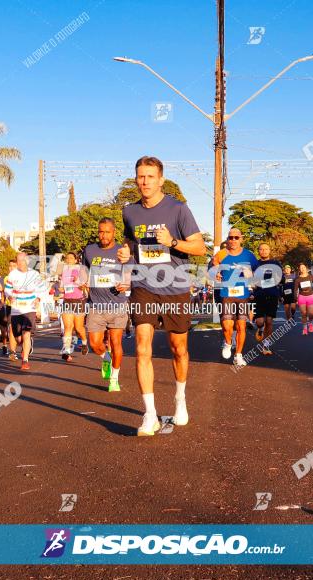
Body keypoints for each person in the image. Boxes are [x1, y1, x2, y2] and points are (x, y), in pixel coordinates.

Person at [118, 156, 205, 436]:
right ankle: (150, 414)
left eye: (150, 177)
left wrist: (173, 242)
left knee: (178, 348)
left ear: (161, 180)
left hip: (176, 287)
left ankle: (180, 399)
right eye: (141, 176)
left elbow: (200, 248)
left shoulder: (178, 210)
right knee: (143, 346)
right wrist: (125, 253)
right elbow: (130, 242)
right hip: (144, 287)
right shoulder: (129, 211)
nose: (144, 182)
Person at [84, 218, 130, 392]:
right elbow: (84, 269)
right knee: (95, 344)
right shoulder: (89, 250)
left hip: (117, 304)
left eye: (107, 232)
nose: (103, 235)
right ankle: (106, 359)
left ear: (114, 232)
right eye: (101, 232)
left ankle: (114, 378)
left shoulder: (121, 251)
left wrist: (125, 284)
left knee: (116, 342)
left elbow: (129, 274)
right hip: (96, 304)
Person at [212, 228, 258, 367]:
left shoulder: (249, 255)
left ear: (241, 239)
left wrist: (251, 276)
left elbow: (256, 271)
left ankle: (238, 355)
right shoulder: (221, 254)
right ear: (227, 239)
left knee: (241, 326)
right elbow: (214, 264)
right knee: (227, 326)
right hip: (227, 294)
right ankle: (227, 343)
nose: (233, 240)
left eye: (236, 237)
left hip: (243, 295)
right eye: (230, 237)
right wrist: (217, 272)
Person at [4, 252, 46, 371]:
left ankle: (25, 360)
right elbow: (7, 289)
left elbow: (41, 289)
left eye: (23, 261)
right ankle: (24, 347)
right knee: (18, 337)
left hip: (29, 308)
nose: (20, 263)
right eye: (18, 261)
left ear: (27, 261)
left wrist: (38, 298)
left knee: (26, 333)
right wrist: (9, 296)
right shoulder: (12, 275)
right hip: (16, 309)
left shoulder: (34, 274)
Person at [57, 252, 89, 363]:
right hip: (67, 301)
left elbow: (84, 286)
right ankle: (66, 351)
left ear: (76, 260)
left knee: (79, 328)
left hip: (79, 301)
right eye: (67, 258)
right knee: (68, 327)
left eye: (71, 258)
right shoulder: (64, 272)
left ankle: (84, 342)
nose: (69, 260)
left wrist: (77, 281)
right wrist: (61, 289)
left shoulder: (81, 270)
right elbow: (61, 288)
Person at [252, 243, 281, 354]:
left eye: (266, 249)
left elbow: (279, 279)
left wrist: (262, 282)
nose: (264, 251)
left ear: (269, 251)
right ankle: (260, 329)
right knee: (260, 322)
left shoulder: (275, 263)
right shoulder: (255, 264)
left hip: (272, 295)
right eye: (261, 249)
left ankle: (266, 345)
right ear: (258, 251)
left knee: (269, 321)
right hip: (259, 296)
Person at [295, 263, 313, 335]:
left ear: (305, 268)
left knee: (311, 313)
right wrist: (295, 299)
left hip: (310, 295)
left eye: (303, 267)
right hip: (301, 296)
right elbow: (295, 289)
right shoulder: (297, 279)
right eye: (300, 268)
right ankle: (305, 328)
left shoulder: (310, 276)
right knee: (303, 314)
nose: (302, 269)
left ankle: (310, 323)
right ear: (299, 270)